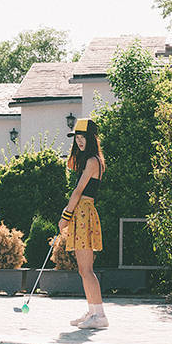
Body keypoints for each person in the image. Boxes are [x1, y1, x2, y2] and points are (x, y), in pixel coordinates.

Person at [58, 117, 108, 329]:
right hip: (81, 214)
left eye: (83, 137)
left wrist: (65, 217)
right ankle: (92, 311)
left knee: (86, 269)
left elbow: (78, 192)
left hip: (84, 213)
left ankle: (100, 316)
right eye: (77, 138)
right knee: (83, 269)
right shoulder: (88, 161)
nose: (79, 141)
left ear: (91, 138)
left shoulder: (92, 161)